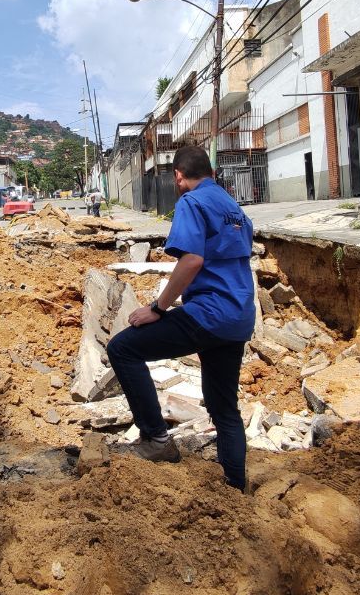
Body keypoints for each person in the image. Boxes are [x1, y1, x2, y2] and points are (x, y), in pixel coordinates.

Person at [106, 145, 256, 492]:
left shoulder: (191, 202)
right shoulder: (234, 208)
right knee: (224, 409)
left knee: (123, 348)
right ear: (213, 174)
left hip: (210, 314)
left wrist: (157, 308)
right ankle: (235, 487)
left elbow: (191, 261)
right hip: (238, 318)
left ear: (178, 176)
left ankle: (156, 439)